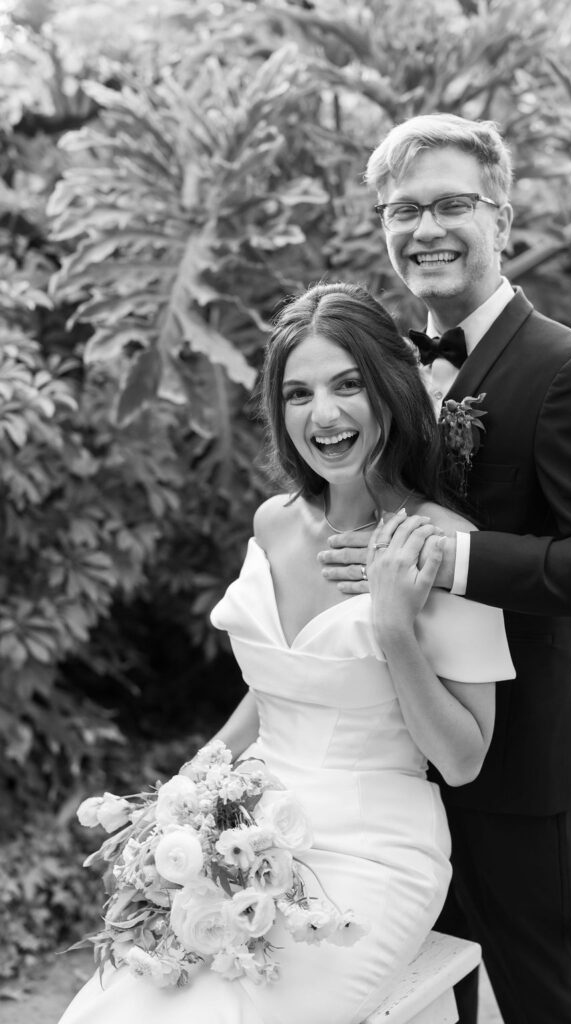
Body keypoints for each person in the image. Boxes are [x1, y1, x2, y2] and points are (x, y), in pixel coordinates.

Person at [58, 282, 516, 1024]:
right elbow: (282, 685)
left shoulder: (442, 544)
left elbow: (463, 760)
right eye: (298, 393)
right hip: (247, 820)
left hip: (373, 851)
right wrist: (188, 787)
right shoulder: (273, 522)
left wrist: (395, 627)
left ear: (391, 394)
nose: (323, 415)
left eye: (347, 386)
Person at [318, 114, 571, 1024]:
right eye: (403, 210)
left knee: (540, 984)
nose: (424, 228)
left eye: (452, 204)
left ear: (501, 217)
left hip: (511, 760)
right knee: (422, 986)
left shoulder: (568, 369)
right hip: (391, 745)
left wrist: (442, 556)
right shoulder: (381, 366)